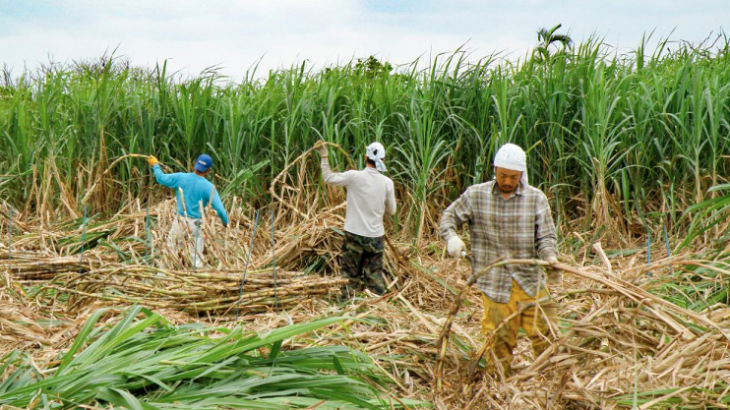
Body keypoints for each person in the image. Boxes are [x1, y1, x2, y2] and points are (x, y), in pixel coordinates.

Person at [439, 143, 559, 377]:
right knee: (499, 340)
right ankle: (498, 387)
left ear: (521, 175)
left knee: (547, 334)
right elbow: (449, 217)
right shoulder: (476, 195)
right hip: (494, 283)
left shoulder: (536, 199)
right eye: (502, 175)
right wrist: (451, 238)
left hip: (530, 280)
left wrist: (549, 256)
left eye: (513, 177)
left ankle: (552, 383)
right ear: (495, 171)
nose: (506, 181)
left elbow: (545, 236)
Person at [315, 141, 397, 299]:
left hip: (354, 235)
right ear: (383, 160)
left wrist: (324, 156)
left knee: (349, 279)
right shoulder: (388, 183)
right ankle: (377, 309)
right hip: (375, 237)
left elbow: (328, 178)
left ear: (366, 157)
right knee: (374, 280)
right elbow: (392, 211)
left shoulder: (354, 177)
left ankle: (347, 308)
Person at [147, 153, 229, 268]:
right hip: (197, 224)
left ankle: (163, 276)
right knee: (196, 256)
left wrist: (155, 164)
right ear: (208, 170)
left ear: (195, 165)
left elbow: (161, 178)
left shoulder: (181, 178)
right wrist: (225, 222)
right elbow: (220, 210)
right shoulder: (209, 187)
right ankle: (197, 279)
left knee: (170, 250)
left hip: (180, 222)